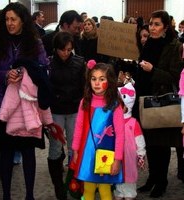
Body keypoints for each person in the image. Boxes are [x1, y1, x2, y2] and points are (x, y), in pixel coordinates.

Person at [0, 2, 54, 200]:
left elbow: (44, 68)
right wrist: (5, 75)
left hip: (27, 106)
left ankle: (30, 196)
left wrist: (26, 73)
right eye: (6, 19)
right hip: (3, 106)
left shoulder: (35, 43)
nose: (9, 23)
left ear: (22, 20)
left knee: (28, 152)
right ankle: (6, 195)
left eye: (13, 19)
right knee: (5, 154)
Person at [135, 10, 183, 198]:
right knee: (149, 144)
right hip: (144, 99)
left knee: (161, 145)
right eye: (150, 23)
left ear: (165, 27)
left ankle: (161, 182)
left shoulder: (174, 46)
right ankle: (152, 179)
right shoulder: (148, 44)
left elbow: (175, 76)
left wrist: (153, 70)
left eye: (156, 24)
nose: (152, 28)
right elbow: (141, 69)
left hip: (161, 101)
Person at [72, 60, 125, 200]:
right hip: (87, 154)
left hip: (106, 155)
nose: (96, 83)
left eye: (102, 79)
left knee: (105, 191)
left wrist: (118, 159)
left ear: (110, 81)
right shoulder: (85, 102)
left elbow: (120, 134)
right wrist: (75, 150)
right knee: (88, 190)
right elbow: (78, 127)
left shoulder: (115, 105)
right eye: (93, 79)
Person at [47, 31, 86, 200]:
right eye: (62, 49)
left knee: (74, 148)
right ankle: (58, 186)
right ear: (56, 49)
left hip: (74, 110)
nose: (66, 53)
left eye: (69, 49)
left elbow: (85, 87)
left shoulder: (79, 62)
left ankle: (74, 183)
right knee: (55, 148)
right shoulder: (48, 64)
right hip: (55, 111)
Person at [114, 82, 146, 200]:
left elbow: (139, 139)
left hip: (130, 156)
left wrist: (141, 153)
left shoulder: (133, 122)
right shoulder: (115, 122)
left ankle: (130, 194)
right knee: (117, 173)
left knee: (129, 175)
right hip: (117, 155)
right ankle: (119, 192)